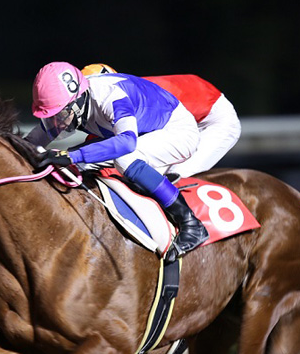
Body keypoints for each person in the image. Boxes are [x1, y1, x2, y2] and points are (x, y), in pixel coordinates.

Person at [25, 61, 208, 262]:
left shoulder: (110, 96)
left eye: (59, 115)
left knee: (122, 158)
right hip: (147, 133)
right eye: (50, 117)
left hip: (178, 131)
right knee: (77, 160)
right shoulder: (75, 102)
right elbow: (34, 141)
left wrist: (70, 156)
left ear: (76, 103)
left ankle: (191, 223)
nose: (56, 123)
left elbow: (127, 143)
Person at [82, 64, 241, 178]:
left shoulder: (119, 97)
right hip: (188, 116)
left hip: (215, 120)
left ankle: (187, 215)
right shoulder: (117, 94)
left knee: (175, 177)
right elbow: (97, 142)